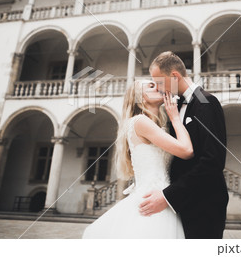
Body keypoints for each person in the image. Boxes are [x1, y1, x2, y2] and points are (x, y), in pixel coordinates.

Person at [82, 78, 193, 239]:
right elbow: (187, 151)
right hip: (152, 198)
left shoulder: (157, 125)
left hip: (162, 196)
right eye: (151, 86)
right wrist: (175, 118)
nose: (158, 87)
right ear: (140, 97)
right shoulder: (140, 121)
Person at [139, 51, 229, 239]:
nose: (158, 88)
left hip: (204, 206)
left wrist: (168, 196)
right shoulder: (173, 107)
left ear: (174, 76)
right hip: (179, 208)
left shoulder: (207, 102)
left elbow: (212, 162)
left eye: (159, 82)